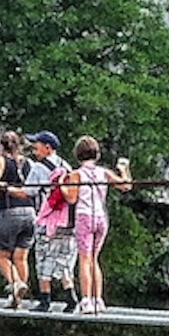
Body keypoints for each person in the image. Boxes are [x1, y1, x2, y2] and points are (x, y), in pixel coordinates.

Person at [72, 138, 126, 314]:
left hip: (84, 216)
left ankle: (86, 300)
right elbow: (126, 185)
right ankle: (98, 299)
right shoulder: (104, 173)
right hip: (101, 217)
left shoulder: (77, 174)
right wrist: (124, 170)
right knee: (94, 259)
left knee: (84, 259)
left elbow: (71, 197)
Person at [28, 133, 80, 311]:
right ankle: (71, 296)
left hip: (48, 219)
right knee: (63, 259)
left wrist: (7, 189)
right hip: (67, 221)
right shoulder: (66, 165)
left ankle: (45, 300)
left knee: (43, 257)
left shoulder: (37, 168)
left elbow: (29, 192)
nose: (34, 149)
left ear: (47, 147)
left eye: (37, 145)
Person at [0, 128, 38, 308]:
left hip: (9, 211)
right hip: (30, 212)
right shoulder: (29, 163)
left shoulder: (2, 160)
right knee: (20, 257)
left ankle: (15, 282)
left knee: (0, 254)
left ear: (1, 145)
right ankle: (17, 297)